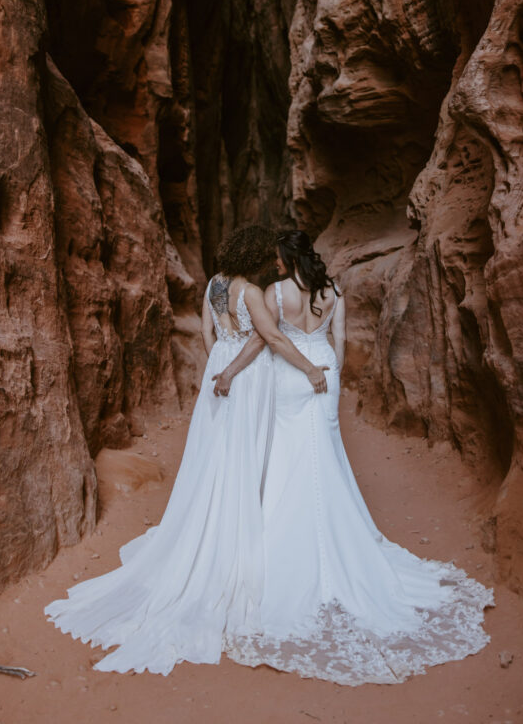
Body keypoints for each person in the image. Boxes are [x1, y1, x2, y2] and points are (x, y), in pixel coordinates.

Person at [45, 225, 328, 675]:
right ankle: (240, 534)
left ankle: (210, 519)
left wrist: (219, 364)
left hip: (218, 370)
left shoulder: (215, 283)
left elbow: (207, 333)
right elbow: (269, 339)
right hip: (244, 377)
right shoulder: (251, 292)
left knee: (213, 457)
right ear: (255, 254)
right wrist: (260, 370)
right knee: (244, 456)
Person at [217, 229, 494, 685]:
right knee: (326, 457)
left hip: (291, 376)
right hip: (324, 372)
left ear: (288, 257)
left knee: (289, 458)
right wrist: (331, 377)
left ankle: (282, 541)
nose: (276, 263)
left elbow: (268, 340)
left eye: (279, 257)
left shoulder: (273, 292)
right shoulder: (334, 292)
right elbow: (340, 343)